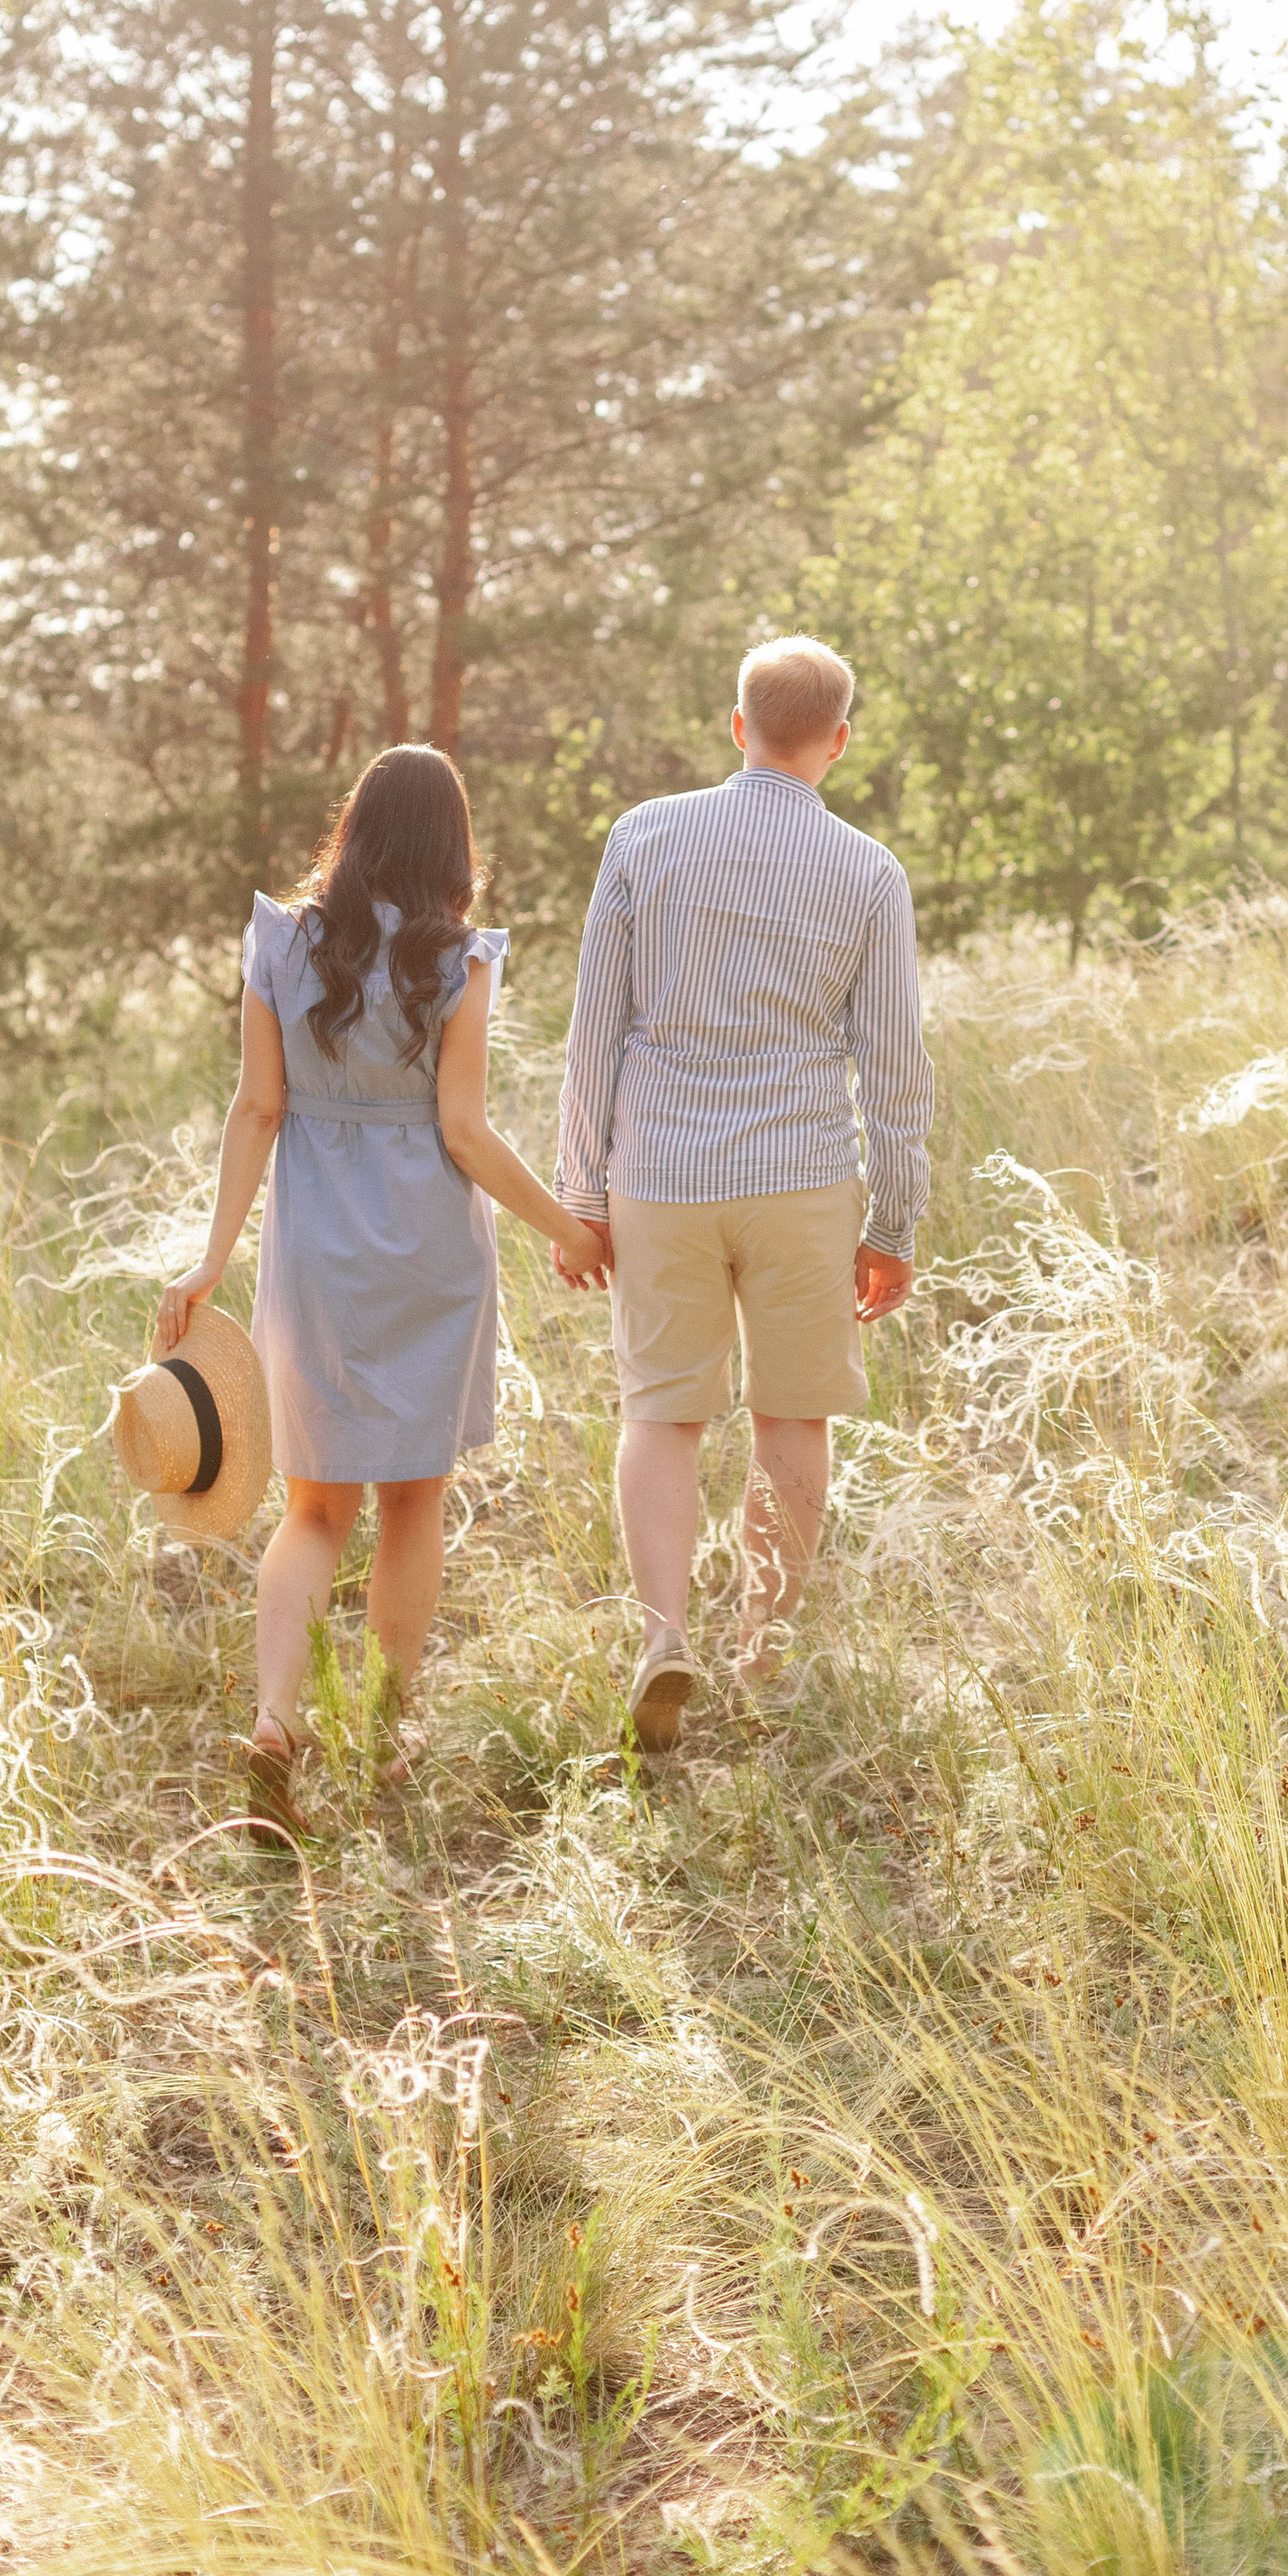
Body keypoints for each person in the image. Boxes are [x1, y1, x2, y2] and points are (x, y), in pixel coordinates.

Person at [154, 743, 610, 1839]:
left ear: (353, 828)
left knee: (314, 1505)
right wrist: (569, 1228)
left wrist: (211, 1256)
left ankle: (274, 1723)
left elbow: (256, 1110)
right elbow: (463, 1128)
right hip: (427, 1251)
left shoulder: (280, 940)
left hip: (314, 1249)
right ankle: (386, 1735)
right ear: (453, 844)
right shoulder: (462, 959)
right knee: (413, 1497)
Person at [553, 635, 935, 1749]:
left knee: (661, 1416)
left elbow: (595, 1036)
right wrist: (893, 1221)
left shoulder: (644, 837)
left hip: (659, 1177)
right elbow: (895, 1065)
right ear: (839, 741)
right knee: (790, 1416)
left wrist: (582, 1195)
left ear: (736, 726)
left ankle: (662, 1633)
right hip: (801, 1179)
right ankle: (761, 1651)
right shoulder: (867, 871)